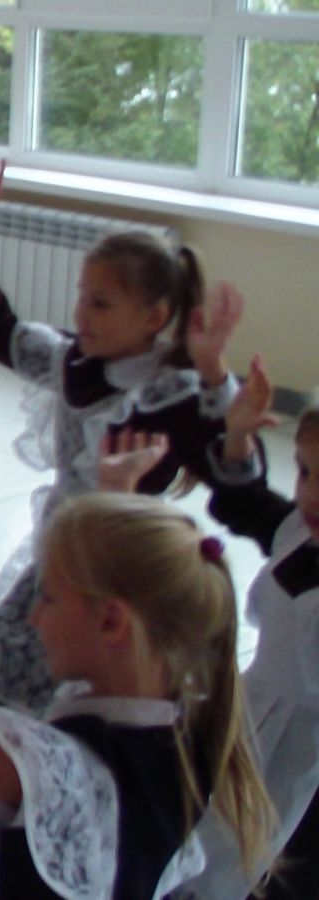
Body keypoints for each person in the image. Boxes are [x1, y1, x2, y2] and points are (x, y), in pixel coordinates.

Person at [0, 495, 273, 898]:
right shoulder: (194, 734)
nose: (33, 617)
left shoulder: (62, 767)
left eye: (47, 598)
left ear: (111, 622)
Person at [0, 160, 248, 718]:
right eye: (82, 297)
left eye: (101, 303)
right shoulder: (74, 362)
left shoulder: (171, 391)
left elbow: (228, 457)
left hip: (121, 571)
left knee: (88, 701)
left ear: (154, 316)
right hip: (63, 554)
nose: (82, 313)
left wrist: (214, 373)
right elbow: (0, 330)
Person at [176, 359, 319, 899]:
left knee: (274, 861)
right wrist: (235, 433)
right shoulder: (298, 532)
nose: (310, 495)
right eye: (305, 472)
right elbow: (244, 501)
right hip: (250, 713)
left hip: (306, 753)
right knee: (207, 825)